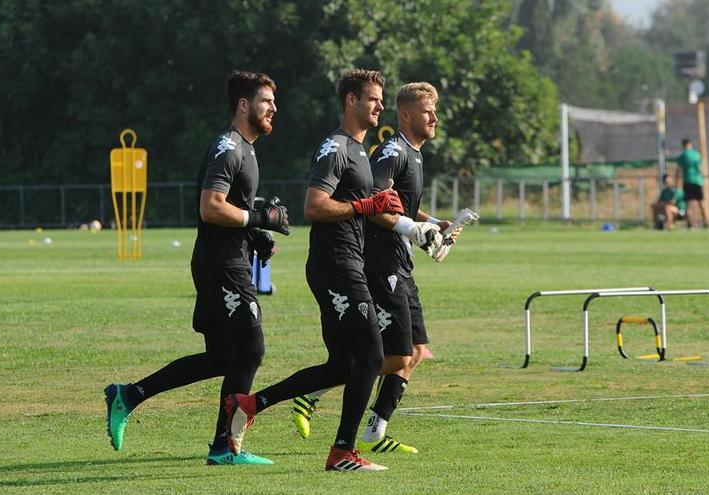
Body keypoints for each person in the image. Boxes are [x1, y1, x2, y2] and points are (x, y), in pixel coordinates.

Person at [223, 69, 406, 472]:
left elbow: (363, 207)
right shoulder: (334, 147)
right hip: (335, 266)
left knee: (344, 365)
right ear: (351, 101)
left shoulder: (360, 150)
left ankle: (252, 403)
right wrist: (365, 206)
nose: (379, 105)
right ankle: (342, 452)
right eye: (373, 98)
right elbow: (313, 206)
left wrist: (393, 212)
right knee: (373, 355)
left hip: (348, 263)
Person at [104, 71, 290, 466]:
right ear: (243, 104)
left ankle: (130, 394)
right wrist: (258, 220)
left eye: (274, 101)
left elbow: (227, 211)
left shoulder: (247, 148)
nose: (274, 107)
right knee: (251, 349)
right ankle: (224, 447)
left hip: (223, 259)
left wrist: (255, 235)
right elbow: (211, 206)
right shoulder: (229, 146)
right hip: (221, 267)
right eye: (265, 101)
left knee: (224, 357)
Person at [291, 82, 460, 455]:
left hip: (401, 262)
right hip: (381, 264)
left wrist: (435, 223)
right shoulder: (392, 152)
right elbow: (375, 203)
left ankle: (375, 429)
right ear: (406, 115)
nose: (434, 117)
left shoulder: (414, 154)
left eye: (434, 110)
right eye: (427, 110)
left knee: (417, 351)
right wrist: (412, 229)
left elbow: (401, 205)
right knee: (394, 355)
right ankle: (314, 392)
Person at [675, 138, 708, 228]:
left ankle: (690, 223)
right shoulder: (697, 155)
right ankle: (706, 222)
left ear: (683, 145)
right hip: (698, 181)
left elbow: (678, 170)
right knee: (701, 202)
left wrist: (676, 182)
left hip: (688, 181)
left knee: (689, 204)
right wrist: (702, 180)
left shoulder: (683, 155)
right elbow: (700, 168)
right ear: (691, 144)